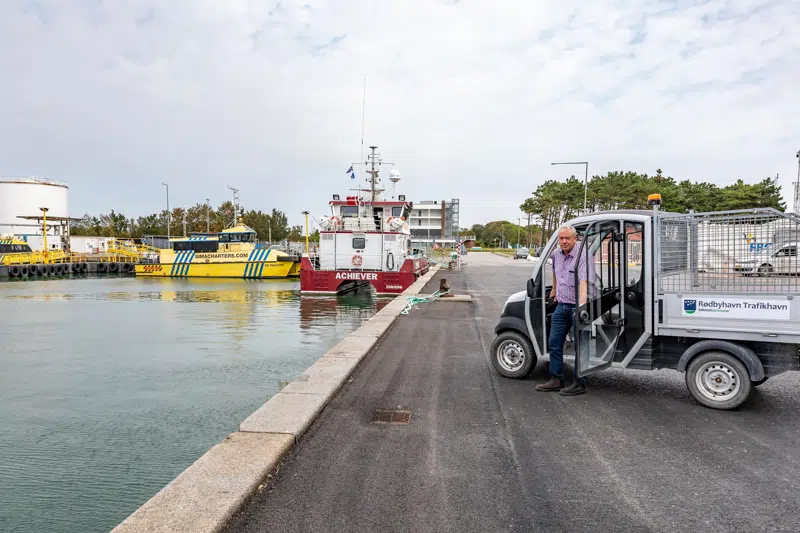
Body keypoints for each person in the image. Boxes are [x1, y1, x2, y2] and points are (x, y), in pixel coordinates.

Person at [535, 225, 590, 396]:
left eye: (567, 238)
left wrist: (581, 308)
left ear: (575, 239)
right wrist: (554, 291)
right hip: (561, 306)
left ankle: (580, 382)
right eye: (561, 238)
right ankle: (556, 378)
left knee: (581, 346)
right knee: (555, 342)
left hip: (576, 307)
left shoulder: (582, 255)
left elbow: (584, 282)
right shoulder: (556, 255)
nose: (564, 241)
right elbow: (555, 273)